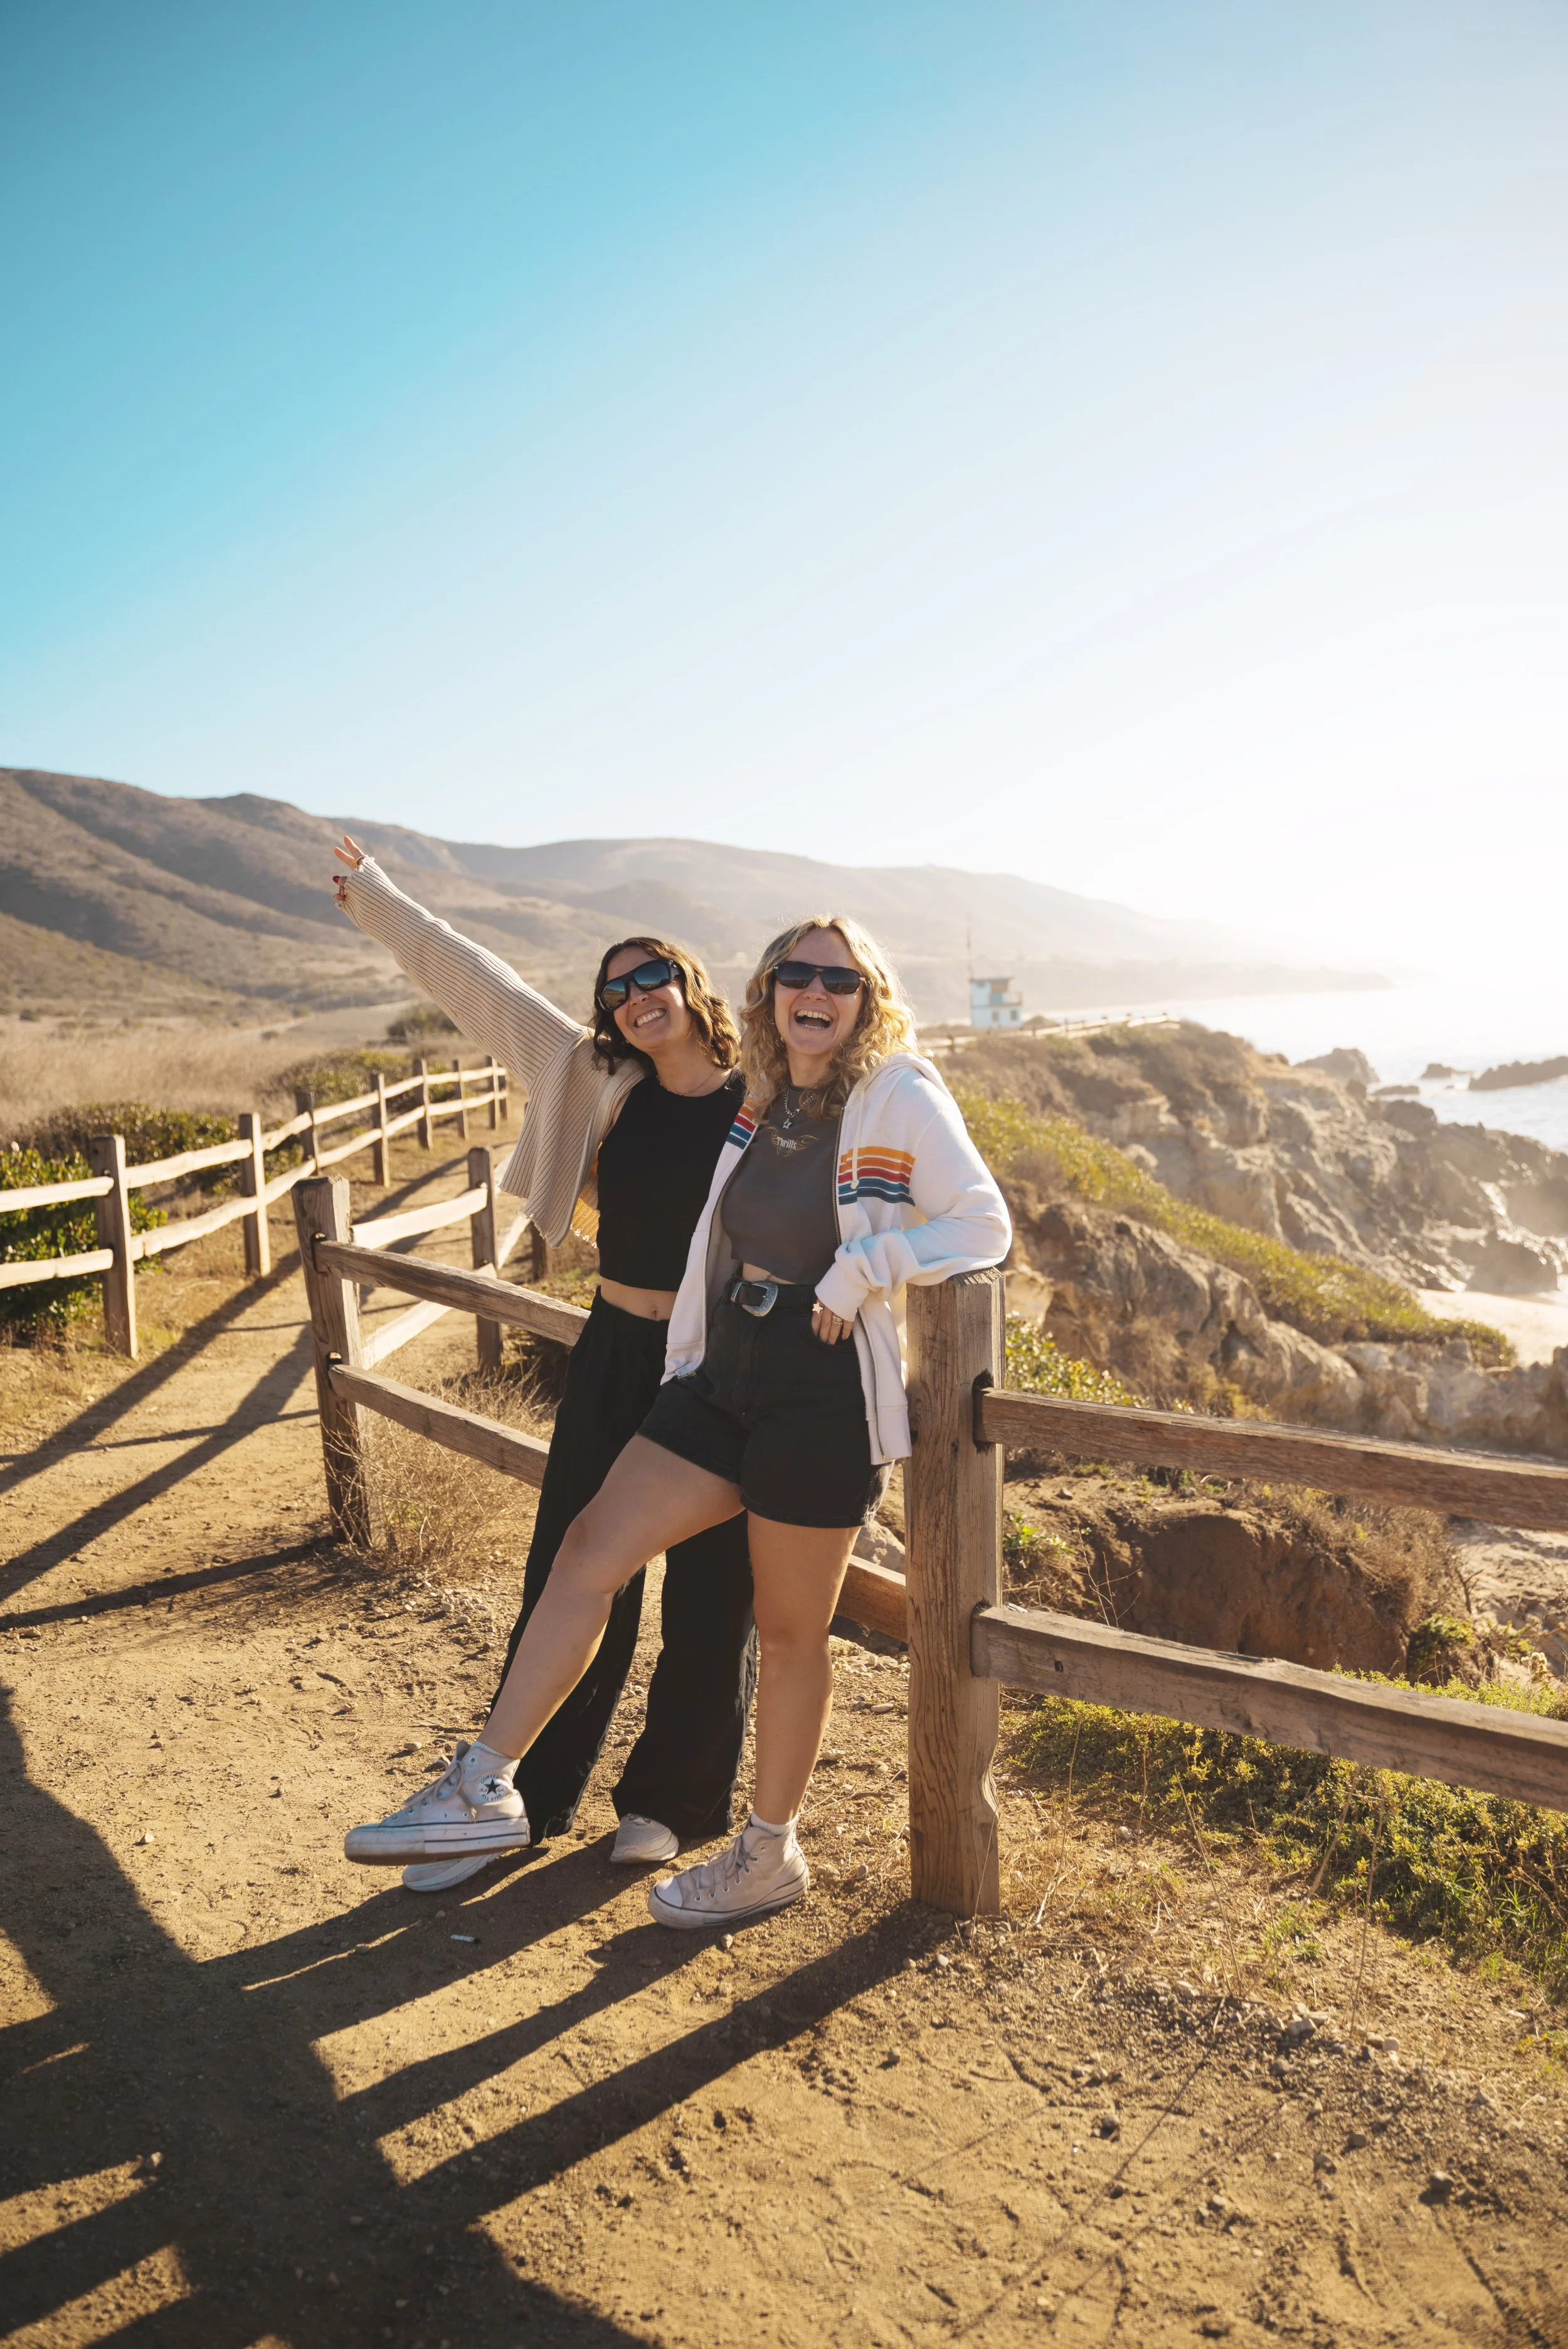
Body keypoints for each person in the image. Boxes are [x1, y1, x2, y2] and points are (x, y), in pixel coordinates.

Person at [342, 909, 1011, 1927]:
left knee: (785, 1634)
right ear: (768, 992)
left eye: (838, 980)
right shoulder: (762, 1099)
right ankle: (486, 1786)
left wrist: (864, 1267)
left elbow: (982, 1221)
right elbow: (714, 1236)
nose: (815, 994)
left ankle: (764, 1851)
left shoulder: (897, 1091)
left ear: (867, 997)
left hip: (816, 1394)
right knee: (584, 1554)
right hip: (712, 1381)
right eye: (796, 976)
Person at [332, 837, 757, 1892]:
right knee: (572, 1563)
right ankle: (525, 1796)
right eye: (614, 991)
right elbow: (483, 985)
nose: (631, 999)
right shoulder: (591, 1075)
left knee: (713, 1587)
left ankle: (670, 1801)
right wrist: (384, 905)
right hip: (617, 1348)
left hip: (716, 1363)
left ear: (689, 986)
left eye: (650, 977)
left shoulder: (766, 1100)